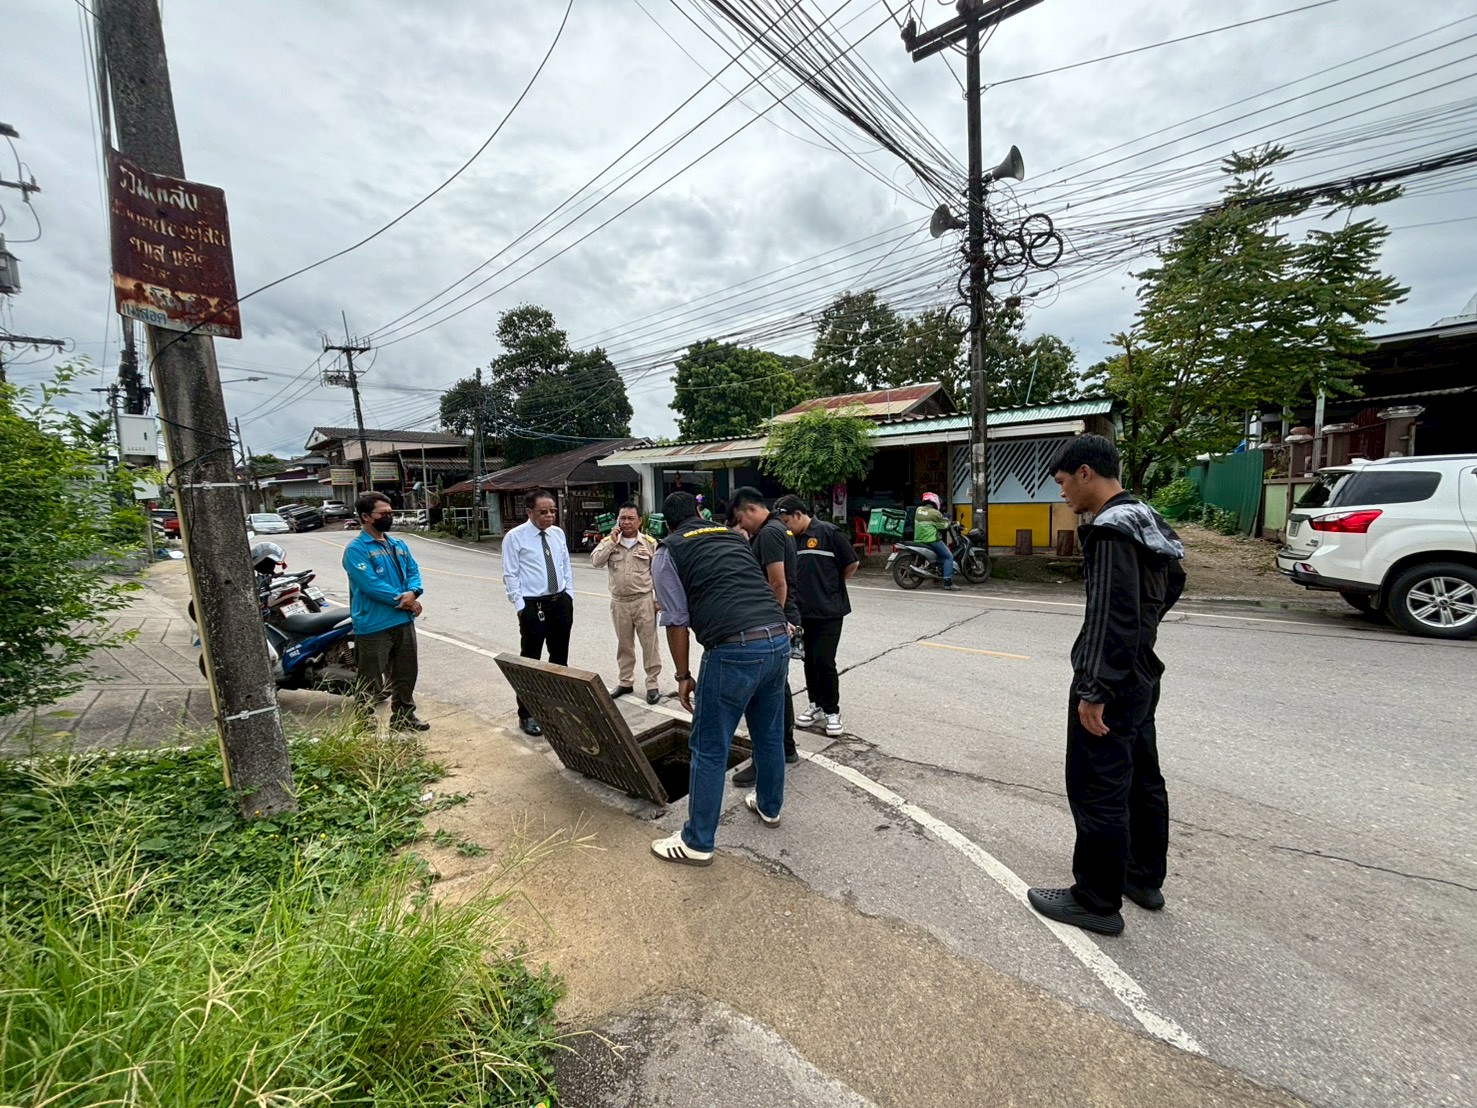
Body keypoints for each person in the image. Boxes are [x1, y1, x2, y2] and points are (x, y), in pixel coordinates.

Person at [1027, 434, 1186, 936]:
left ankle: (1095, 901)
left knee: (1097, 786)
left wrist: (1095, 687)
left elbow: (1107, 615)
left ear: (1085, 473)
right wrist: (1145, 628)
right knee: (1142, 776)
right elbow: (1175, 580)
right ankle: (1142, 877)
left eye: (1062, 482)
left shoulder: (1110, 530)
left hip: (1111, 678)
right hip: (1141, 670)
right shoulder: (1145, 517)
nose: (1062, 493)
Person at [649, 491, 790, 866]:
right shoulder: (733, 536)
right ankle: (769, 806)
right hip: (777, 640)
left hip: (734, 650)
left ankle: (696, 842)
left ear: (667, 523)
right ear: (700, 512)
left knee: (709, 747)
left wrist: (683, 675)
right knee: (769, 733)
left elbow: (676, 620)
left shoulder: (668, 550)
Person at [729, 486, 802, 787]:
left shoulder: (770, 533)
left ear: (750, 509)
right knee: (777, 686)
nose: (742, 526)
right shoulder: (776, 530)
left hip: (774, 620)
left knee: (763, 693)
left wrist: (771, 623)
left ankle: (765, 759)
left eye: (740, 520)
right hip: (781, 618)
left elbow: (778, 583)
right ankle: (786, 748)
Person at [342, 492, 429, 732]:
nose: (389, 517)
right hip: (373, 624)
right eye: (383, 513)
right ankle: (364, 722)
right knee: (370, 678)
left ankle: (404, 717)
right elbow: (370, 585)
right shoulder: (356, 550)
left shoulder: (397, 544)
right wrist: (406, 601)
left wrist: (414, 591)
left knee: (406, 672)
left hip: (402, 621)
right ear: (365, 517)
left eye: (390, 513)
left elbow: (413, 571)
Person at [773, 495, 857, 738]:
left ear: (799, 514)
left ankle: (832, 711)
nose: (786, 526)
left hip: (829, 611)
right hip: (802, 612)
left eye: (787, 521)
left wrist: (830, 586)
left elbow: (851, 563)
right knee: (808, 660)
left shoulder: (829, 533)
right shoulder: (790, 539)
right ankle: (815, 705)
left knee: (824, 661)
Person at [502, 488, 575, 737]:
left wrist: (569, 595)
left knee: (560, 659)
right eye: (543, 512)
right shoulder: (515, 537)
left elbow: (565, 566)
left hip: (560, 602)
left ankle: (558, 708)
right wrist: (521, 607)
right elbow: (510, 574)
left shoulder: (558, 534)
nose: (550, 516)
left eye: (553, 511)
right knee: (531, 661)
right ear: (530, 512)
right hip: (534, 605)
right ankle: (527, 713)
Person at [590, 501, 662, 704]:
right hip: (619, 603)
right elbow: (595, 562)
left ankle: (652, 684)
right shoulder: (610, 541)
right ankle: (625, 681)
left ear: (640, 521)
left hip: (643, 601)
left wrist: (658, 600)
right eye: (622, 518)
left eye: (631, 518)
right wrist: (611, 542)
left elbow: (659, 574)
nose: (626, 522)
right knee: (624, 645)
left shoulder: (649, 543)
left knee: (649, 644)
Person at [913, 492, 954, 590]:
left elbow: (931, 521)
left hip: (919, 539)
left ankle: (937, 577)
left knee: (939, 556)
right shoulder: (935, 513)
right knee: (948, 557)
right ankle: (948, 583)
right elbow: (944, 526)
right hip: (931, 539)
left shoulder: (918, 510)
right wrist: (947, 519)